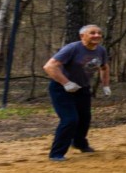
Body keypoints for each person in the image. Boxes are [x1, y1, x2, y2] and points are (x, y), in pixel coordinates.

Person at [42, 24, 111, 161]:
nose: (97, 36)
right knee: (70, 120)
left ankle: (79, 143)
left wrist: (105, 85)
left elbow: (104, 67)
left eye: (99, 33)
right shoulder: (72, 49)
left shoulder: (101, 50)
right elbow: (49, 66)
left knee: (84, 119)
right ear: (82, 36)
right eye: (92, 33)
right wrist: (66, 83)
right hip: (61, 89)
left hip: (82, 89)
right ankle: (56, 153)